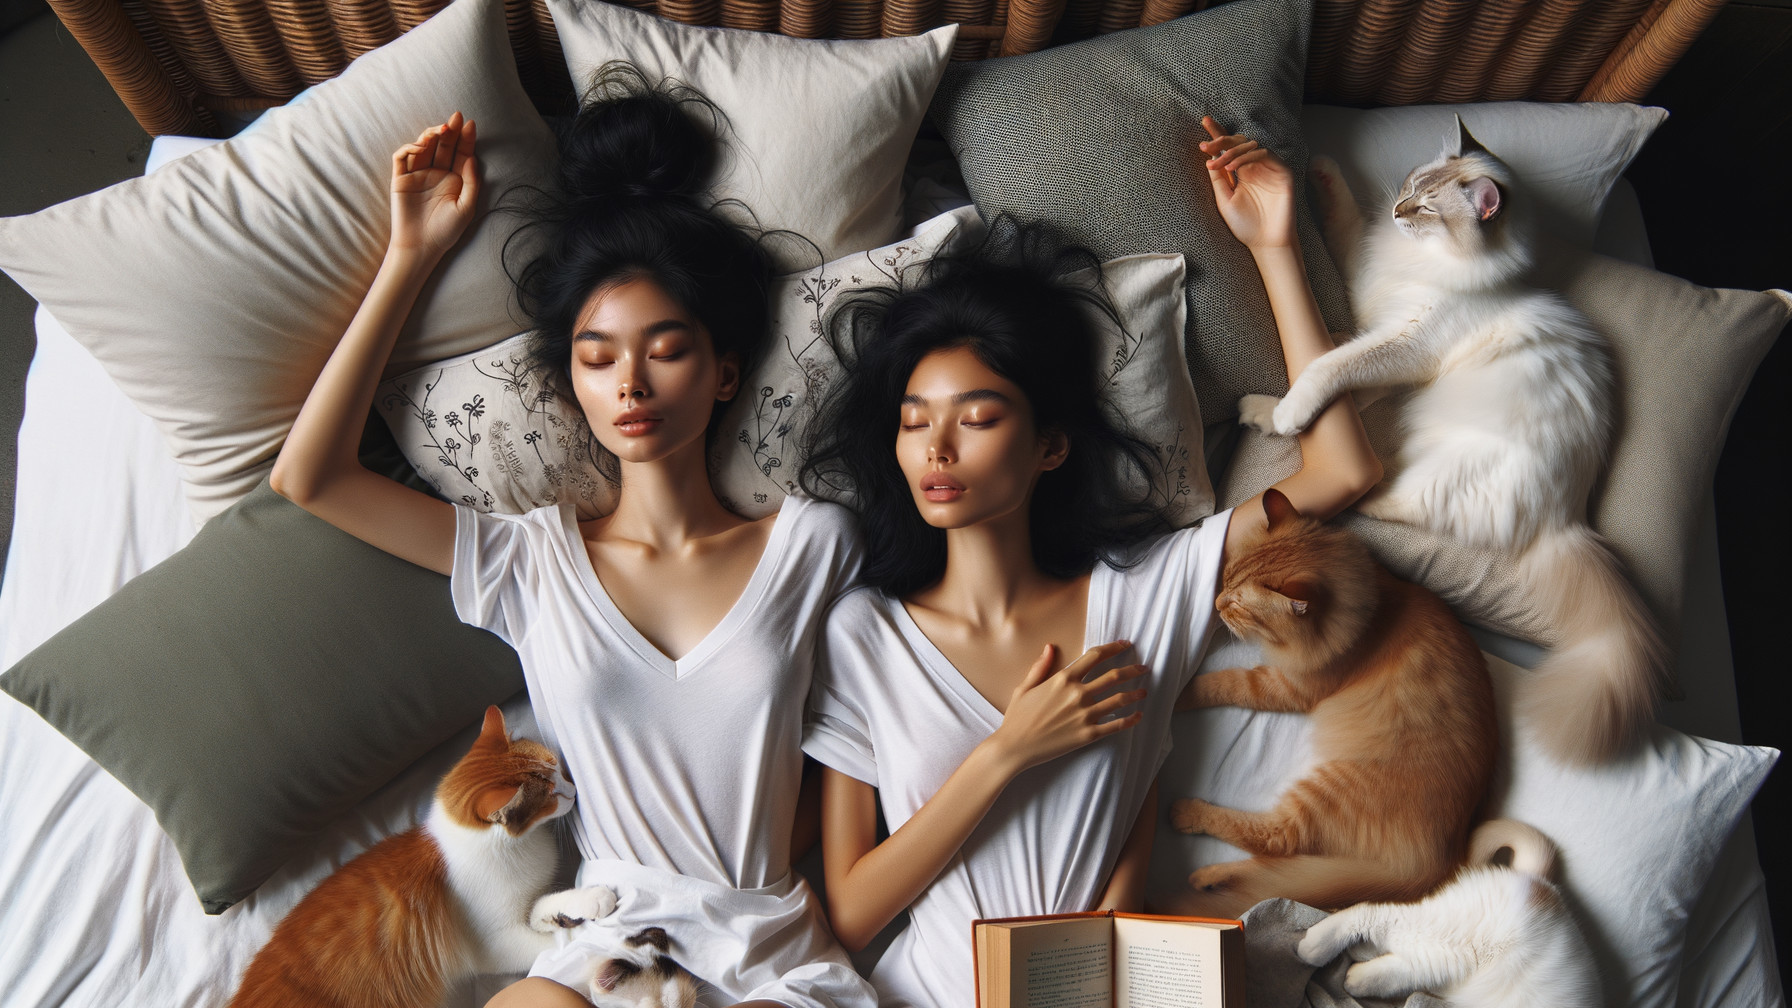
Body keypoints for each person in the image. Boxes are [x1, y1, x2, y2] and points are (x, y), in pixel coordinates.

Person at [270, 71, 873, 1008]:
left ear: (722, 374)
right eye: (598, 359)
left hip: (764, 952)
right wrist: (411, 255)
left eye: (666, 349)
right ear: (576, 389)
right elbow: (309, 477)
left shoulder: (813, 545)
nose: (630, 381)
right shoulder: (530, 561)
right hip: (600, 944)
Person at [798, 117, 1382, 1008]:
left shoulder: (1147, 593)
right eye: (915, 420)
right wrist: (1007, 753)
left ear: (1050, 448)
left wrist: (1275, 246)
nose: (936, 449)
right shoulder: (864, 632)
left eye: (978, 418)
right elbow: (848, 914)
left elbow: (1344, 469)